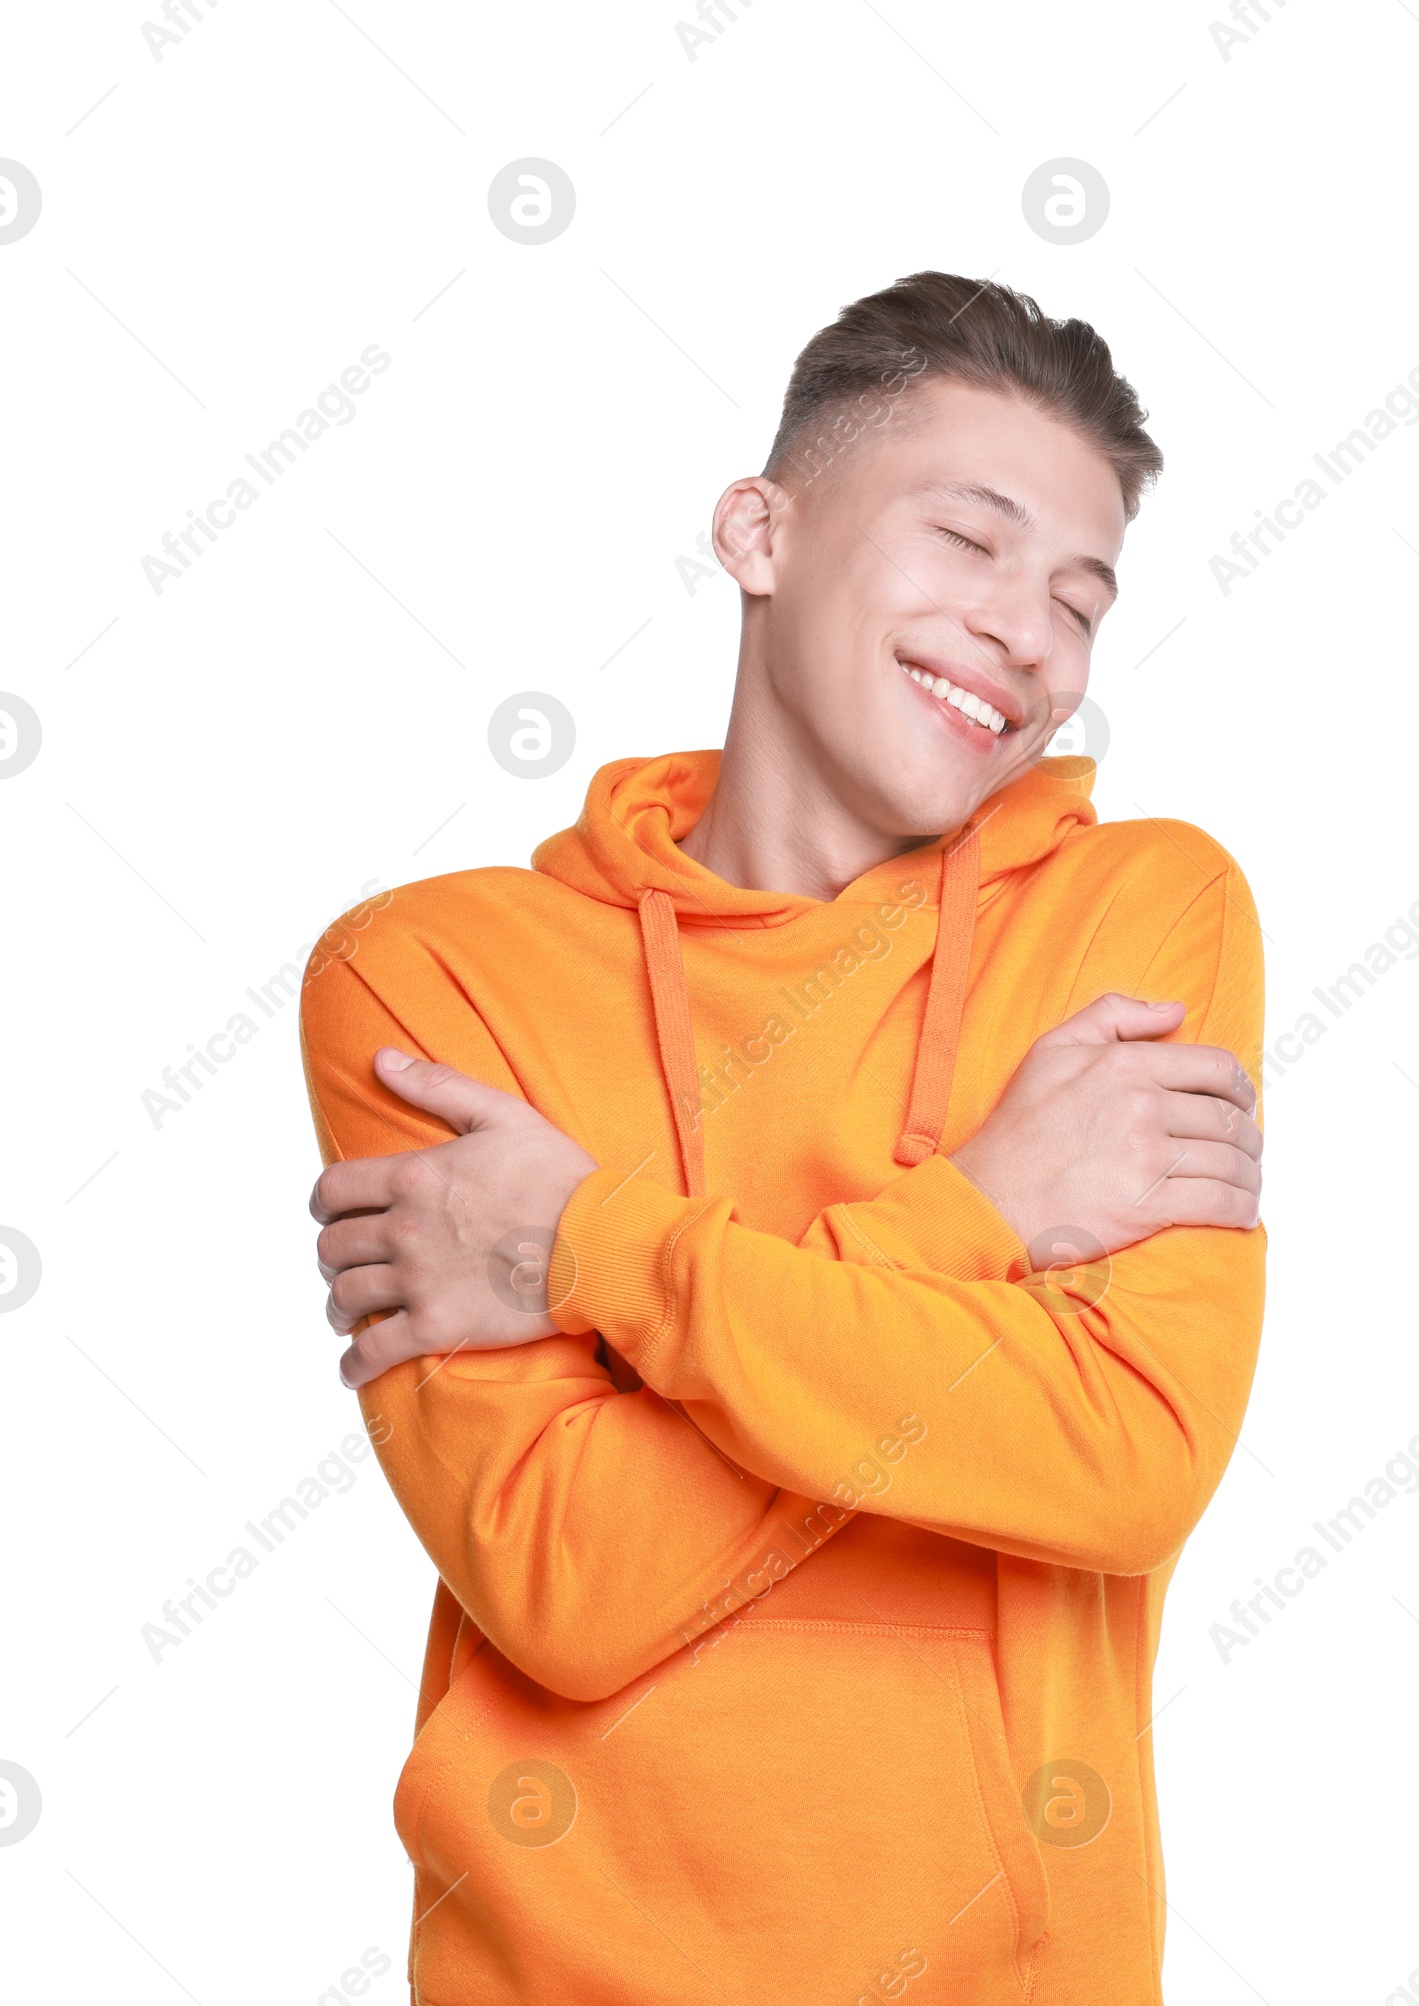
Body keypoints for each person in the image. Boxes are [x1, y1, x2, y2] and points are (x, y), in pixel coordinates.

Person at [300, 270, 1266, 2006]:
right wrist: (977, 1214)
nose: (1027, 631)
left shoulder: (1140, 914)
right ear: (760, 529)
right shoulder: (433, 974)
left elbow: (1121, 1462)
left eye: (1079, 596)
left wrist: (588, 1243)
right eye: (970, 540)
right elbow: (568, 1581)